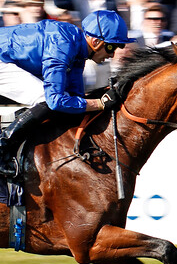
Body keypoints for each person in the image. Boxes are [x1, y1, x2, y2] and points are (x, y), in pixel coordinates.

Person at [0, 10, 135, 175]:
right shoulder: (62, 45)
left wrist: (100, 100)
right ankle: (3, 146)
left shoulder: (78, 51)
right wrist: (99, 103)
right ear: (95, 41)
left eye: (118, 47)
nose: (113, 54)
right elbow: (55, 100)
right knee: (45, 97)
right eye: (111, 46)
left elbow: (76, 98)